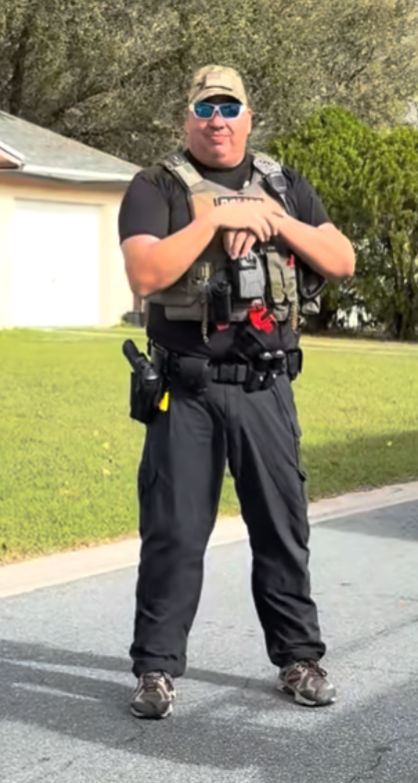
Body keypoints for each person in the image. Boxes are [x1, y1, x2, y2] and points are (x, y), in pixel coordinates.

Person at [118, 64, 355, 719]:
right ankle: (156, 669)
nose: (216, 120)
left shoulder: (283, 185)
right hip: (184, 391)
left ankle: (299, 659)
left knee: (282, 529)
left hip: (265, 388)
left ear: (248, 118)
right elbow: (145, 271)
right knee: (173, 533)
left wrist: (271, 218)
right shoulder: (156, 187)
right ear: (186, 118)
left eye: (228, 107)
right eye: (204, 108)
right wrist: (219, 218)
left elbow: (341, 259)